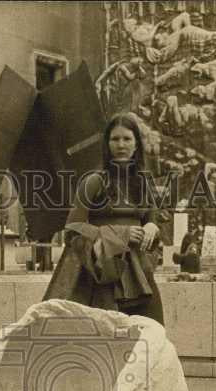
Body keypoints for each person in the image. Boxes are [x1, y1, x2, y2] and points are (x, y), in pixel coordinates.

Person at [57, 113, 164, 324]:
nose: (121, 145)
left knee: (151, 334)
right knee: (108, 336)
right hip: (104, 274)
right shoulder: (94, 181)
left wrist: (152, 226)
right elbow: (72, 230)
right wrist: (119, 235)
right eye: (115, 139)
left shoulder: (144, 183)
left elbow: (153, 219)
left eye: (127, 139)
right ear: (107, 144)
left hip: (140, 272)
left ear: (136, 145)